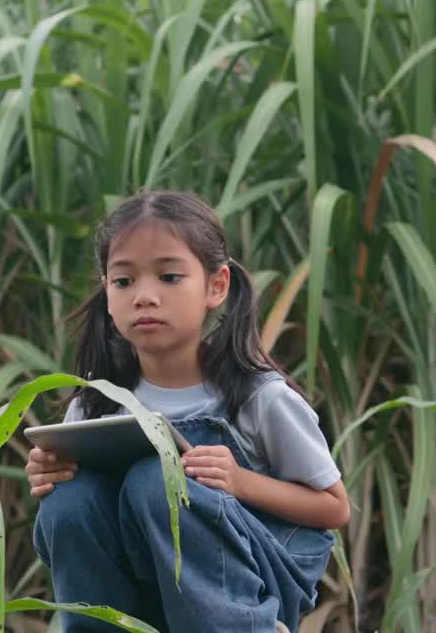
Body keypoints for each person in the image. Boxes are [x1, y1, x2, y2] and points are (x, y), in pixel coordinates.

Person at [27, 191, 350, 632]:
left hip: (256, 583)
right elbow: (68, 528)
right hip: (144, 584)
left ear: (216, 286)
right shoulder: (95, 401)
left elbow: (334, 508)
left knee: (158, 480)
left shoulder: (258, 397)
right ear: (106, 292)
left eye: (169, 277)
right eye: (124, 282)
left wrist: (241, 481)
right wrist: (52, 473)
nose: (144, 296)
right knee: (70, 500)